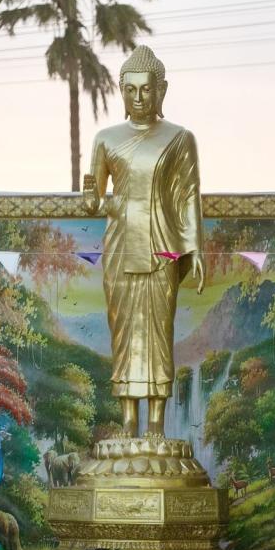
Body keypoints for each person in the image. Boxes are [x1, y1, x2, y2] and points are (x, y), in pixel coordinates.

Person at [82, 45, 204, 437]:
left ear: (161, 91)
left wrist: (194, 247)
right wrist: (89, 197)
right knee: (123, 332)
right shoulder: (106, 138)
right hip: (120, 246)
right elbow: (94, 199)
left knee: (157, 333)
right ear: (121, 90)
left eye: (146, 90)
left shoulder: (180, 138)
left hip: (163, 248)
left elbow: (188, 195)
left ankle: (155, 426)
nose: (138, 98)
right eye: (130, 90)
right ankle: (127, 422)